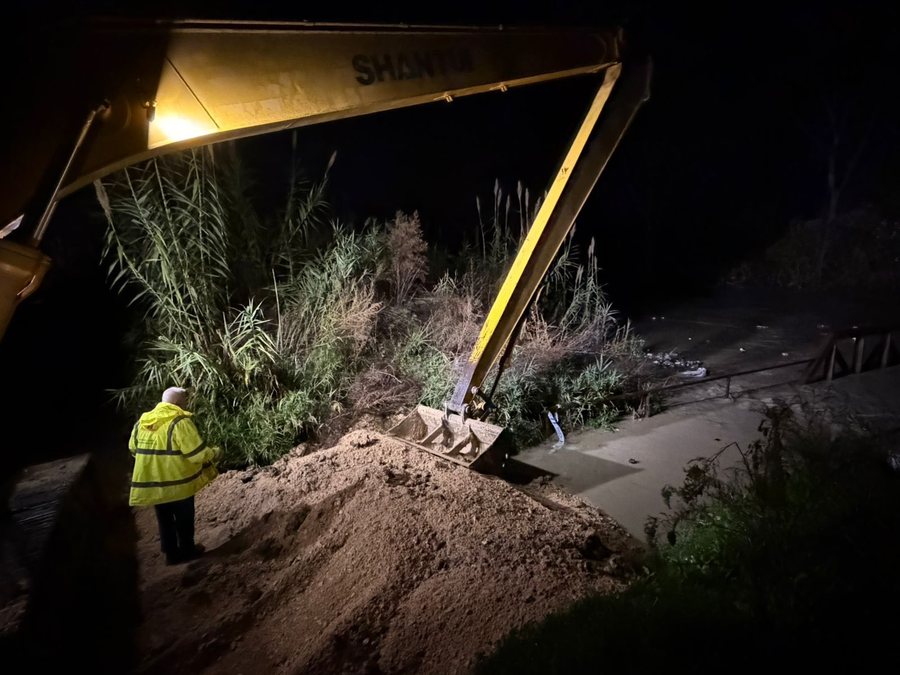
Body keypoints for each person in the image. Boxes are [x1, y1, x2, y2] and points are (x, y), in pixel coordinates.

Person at [128, 387, 222, 565]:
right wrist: (215, 453)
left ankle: (171, 555)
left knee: (164, 520)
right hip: (179, 484)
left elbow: (133, 448)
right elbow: (197, 454)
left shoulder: (142, 421)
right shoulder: (179, 422)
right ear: (178, 403)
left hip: (154, 484)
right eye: (185, 401)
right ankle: (188, 550)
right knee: (184, 519)